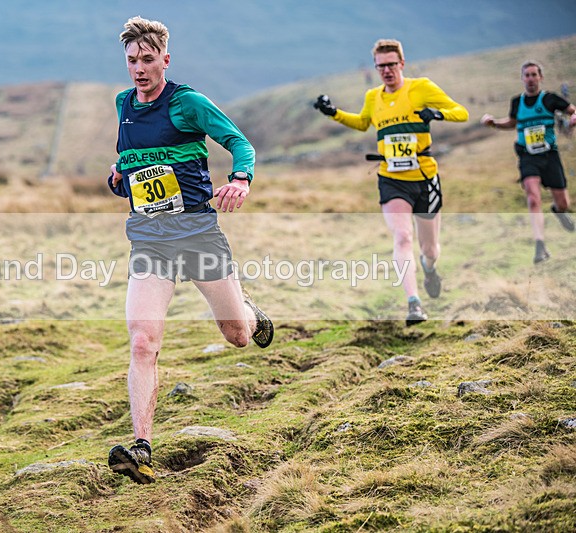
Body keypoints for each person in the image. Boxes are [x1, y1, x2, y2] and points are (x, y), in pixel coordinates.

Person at [105, 16, 273, 485]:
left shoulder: (187, 103)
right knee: (142, 340)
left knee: (237, 334)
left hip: (198, 236)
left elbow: (239, 143)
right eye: (132, 61)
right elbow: (130, 165)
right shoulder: (123, 104)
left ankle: (250, 312)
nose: (139, 69)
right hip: (150, 240)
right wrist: (118, 177)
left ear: (165, 59)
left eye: (148, 60)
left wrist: (240, 179)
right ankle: (141, 447)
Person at [312, 39, 468, 326]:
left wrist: (437, 114)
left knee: (430, 249)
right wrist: (332, 112)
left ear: (402, 64)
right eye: (380, 66)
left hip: (424, 177)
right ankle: (414, 302)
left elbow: (462, 113)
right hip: (391, 178)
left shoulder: (421, 87)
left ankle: (429, 268)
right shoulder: (373, 96)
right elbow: (362, 122)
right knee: (402, 237)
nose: (386, 71)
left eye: (391, 65)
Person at [481, 61, 576, 263]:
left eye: (534, 74)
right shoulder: (517, 102)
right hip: (527, 156)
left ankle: (558, 212)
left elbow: (572, 111)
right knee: (533, 198)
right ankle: (540, 246)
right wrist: (494, 123)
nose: (531, 79)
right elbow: (512, 123)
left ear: (540, 77)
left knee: (563, 203)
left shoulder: (550, 99)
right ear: (522, 78)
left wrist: (573, 120)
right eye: (527, 75)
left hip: (550, 156)